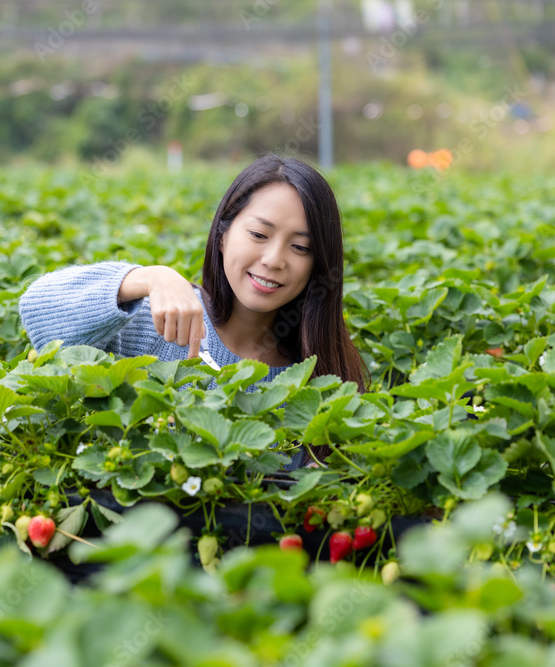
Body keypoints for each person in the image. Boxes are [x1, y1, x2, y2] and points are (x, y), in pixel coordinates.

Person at [19, 153, 369, 469]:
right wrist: (149, 278)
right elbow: (37, 310)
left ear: (317, 264)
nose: (274, 259)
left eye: (300, 246)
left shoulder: (320, 383)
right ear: (222, 235)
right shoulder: (160, 320)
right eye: (260, 234)